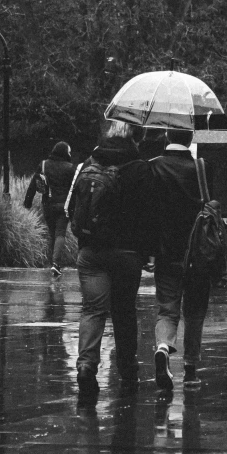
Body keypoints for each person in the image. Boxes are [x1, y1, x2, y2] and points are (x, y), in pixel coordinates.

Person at [72, 120, 158, 394]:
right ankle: (127, 369)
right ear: (137, 137)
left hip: (90, 252)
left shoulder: (90, 162)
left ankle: (86, 366)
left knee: (92, 310)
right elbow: (148, 216)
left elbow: (74, 206)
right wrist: (147, 253)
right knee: (123, 312)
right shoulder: (140, 168)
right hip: (125, 253)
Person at [151, 128, 212, 390]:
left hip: (166, 252)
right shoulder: (201, 168)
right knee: (195, 311)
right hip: (198, 252)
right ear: (190, 140)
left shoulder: (153, 168)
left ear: (167, 138)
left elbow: (147, 211)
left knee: (167, 308)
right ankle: (190, 370)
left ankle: (163, 347)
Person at [24, 141, 76, 277]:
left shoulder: (43, 165)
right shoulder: (70, 168)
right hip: (64, 206)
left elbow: (33, 184)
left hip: (48, 204)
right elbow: (75, 188)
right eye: (69, 152)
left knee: (52, 233)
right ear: (64, 152)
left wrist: (27, 202)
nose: (70, 154)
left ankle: (53, 263)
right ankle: (56, 264)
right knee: (60, 233)